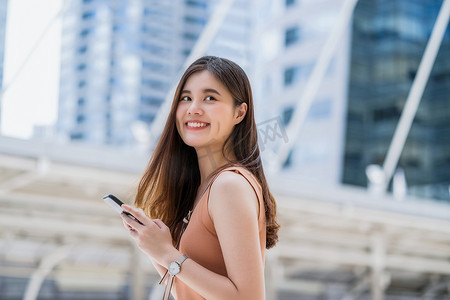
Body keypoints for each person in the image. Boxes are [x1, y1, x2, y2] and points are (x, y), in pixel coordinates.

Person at [120, 56, 279, 300]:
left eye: (210, 98)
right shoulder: (203, 188)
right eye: (186, 98)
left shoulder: (230, 185)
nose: (193, 108)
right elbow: (191, 292)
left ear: (240, 113)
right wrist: (154, 248)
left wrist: (168, 254)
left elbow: (248, 297)